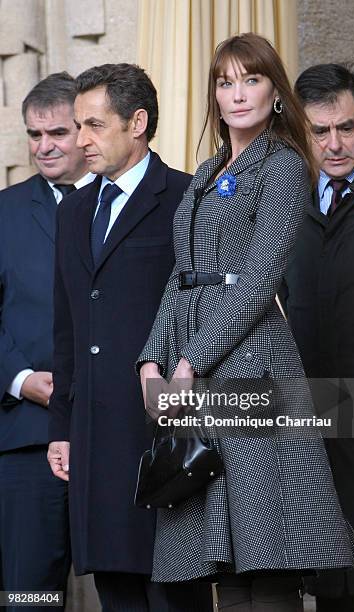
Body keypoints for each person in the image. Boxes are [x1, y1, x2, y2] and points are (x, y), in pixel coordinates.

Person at [137, 34, 354, 612]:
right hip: (195, 365)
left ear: (275, 93)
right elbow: (181, 275)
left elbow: (261, 280)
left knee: (267, 549)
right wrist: (152, 357)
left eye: (251, 80)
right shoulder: (209, 170)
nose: (237, 94)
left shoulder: (284, 165)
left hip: (252, 365)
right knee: (225, 552)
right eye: (225, 82)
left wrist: (191, 360)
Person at [47, 63, 213, 612]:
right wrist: (61, 430)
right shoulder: (72, 210)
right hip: (93, 436)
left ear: (137, 122)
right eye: (78, 125)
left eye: (94, 125)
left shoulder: (187, 199)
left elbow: (210, 308)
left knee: (172, 593)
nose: (81, 140)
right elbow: (67, 329)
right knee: (115, 589)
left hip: (159, 432)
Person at [281, 64, 354, 612]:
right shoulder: (283, 194)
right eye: (320, 131)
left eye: (347, 127)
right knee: (328, 575)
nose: (335, 144)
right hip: (306, 407)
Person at [0, 72, 93, 610]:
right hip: (27, 439)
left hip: (116, 435)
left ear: (85, 132)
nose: (44, 147)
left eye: (56, 132)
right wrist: (21, 380)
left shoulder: (129, 202)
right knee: (29, 597)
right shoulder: (5, 212)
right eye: (33, 135)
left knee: (136, 588)